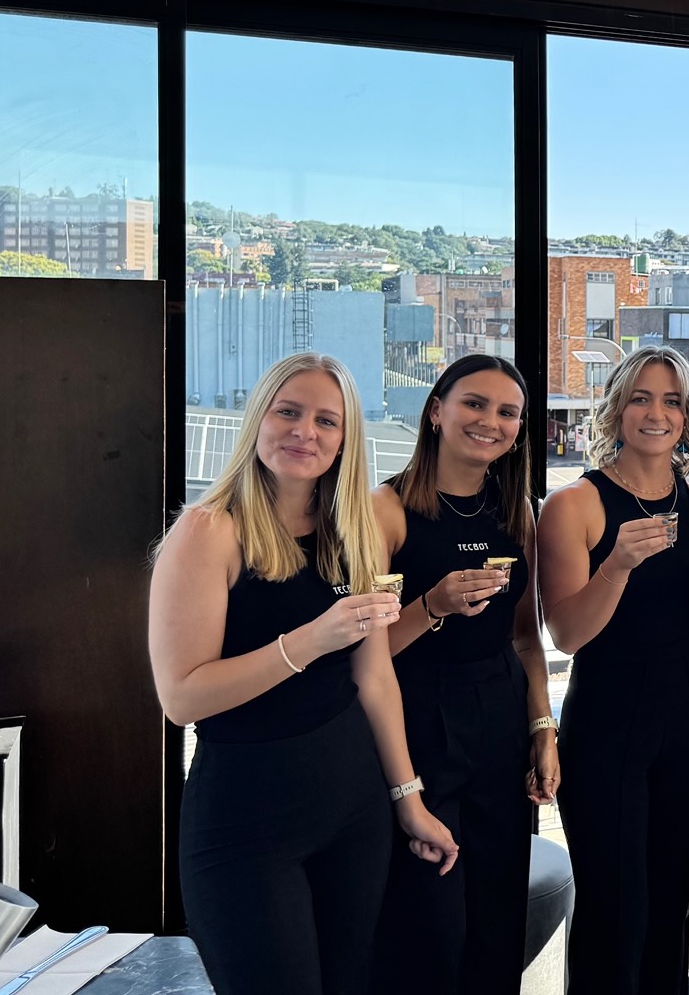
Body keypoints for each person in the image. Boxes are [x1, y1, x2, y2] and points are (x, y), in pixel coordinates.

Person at [149, 352, 458, 995]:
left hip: (353, 809)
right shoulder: (208, 532)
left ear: (347, 439)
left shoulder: (354, 534)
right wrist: (309, 642)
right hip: (245, 819)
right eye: (287, 412)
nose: (304, 432)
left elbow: (374, 680)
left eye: (326, 420)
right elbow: (182, 697)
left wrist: (410, 800)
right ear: (258, 418)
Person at [538, 346, 689, 994]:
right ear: (616, 408)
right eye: (641, 397)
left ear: (687, 416)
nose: (656, 412)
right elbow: (569, 631)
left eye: (671, 400)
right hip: (606, 717)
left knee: (670, 902)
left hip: (686, 712)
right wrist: (615, 566)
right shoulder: (574, 505)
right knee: (616, 910)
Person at [370, 354, 557, 995]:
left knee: (497, 915)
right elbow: (363, 656)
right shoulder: (388, 510)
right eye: (474, 404)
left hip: (500, 715)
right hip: (417, 718)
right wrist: (433, 606)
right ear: (436, 410)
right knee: (429, 918)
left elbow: (527, 638)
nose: (490, 422)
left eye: (507, 412)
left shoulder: (516, 509)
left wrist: (542, 726)